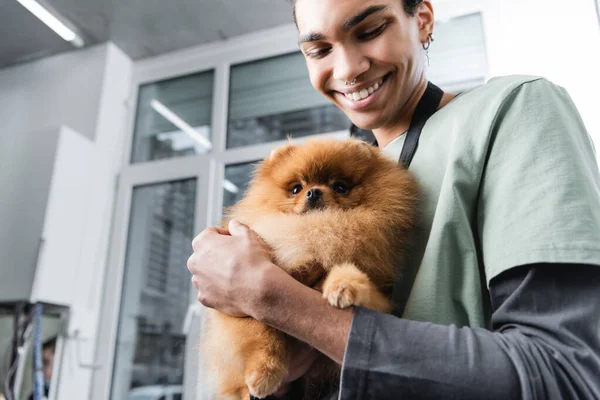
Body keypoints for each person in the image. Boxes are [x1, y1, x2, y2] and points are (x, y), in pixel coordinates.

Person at [187, 0, 600, 398]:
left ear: (421, 19)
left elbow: (563, 372)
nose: (348, 68)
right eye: (319, 49)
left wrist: (272, 297)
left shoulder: (513, 109)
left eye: (370, 30)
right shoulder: (346, 161)